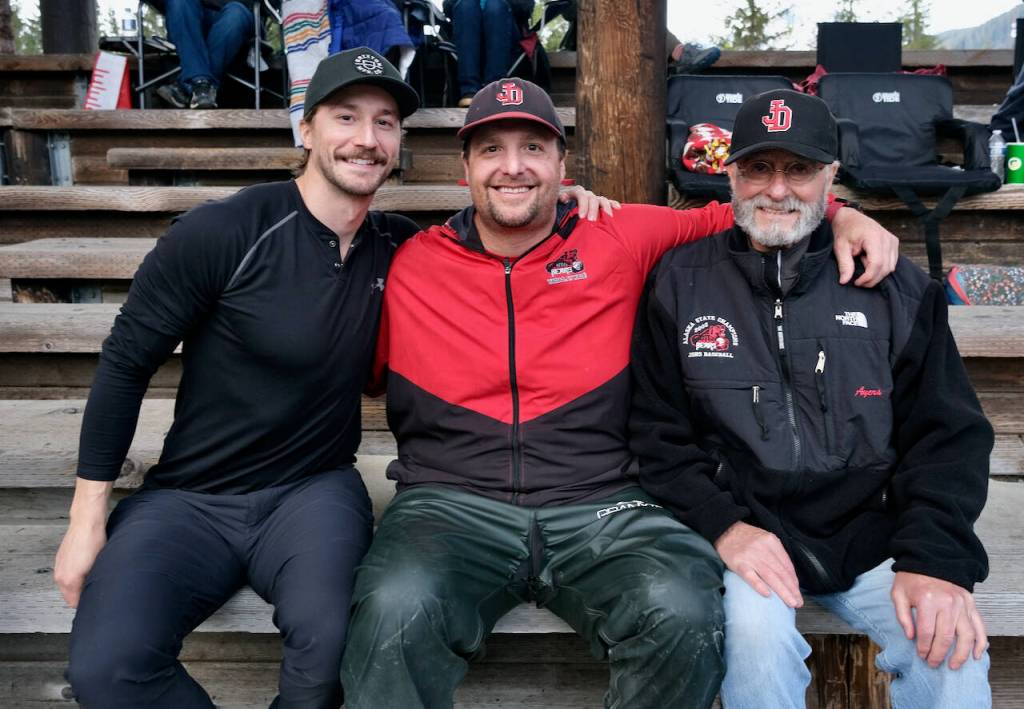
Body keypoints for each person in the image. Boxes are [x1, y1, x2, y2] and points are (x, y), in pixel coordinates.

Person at [339, 78, 900, 708]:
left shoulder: (622, 235)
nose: (514, 166)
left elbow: (751, 209)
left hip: (606, 502)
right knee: (391, 611)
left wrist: (844, 211)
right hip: (450, 504)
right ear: (465, 166)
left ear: (561, 164)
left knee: (683, 611)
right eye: (491, 149)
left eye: (533, 147)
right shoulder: (409, 261)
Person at [54, 47, 421, 709]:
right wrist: (87, 517)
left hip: (313, 491)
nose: (366, 139)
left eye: (386, 122)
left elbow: (505, 219)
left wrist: (571, 196)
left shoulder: (403, 246)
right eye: (346, 117)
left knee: (336, 649)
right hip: (192, 496)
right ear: (306, 129)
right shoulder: (225, 230)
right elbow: (125, 361)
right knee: (107, 668)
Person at [630, 89, 993, 708]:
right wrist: (724, 527)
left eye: (798, 169)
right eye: (758, 169)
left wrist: (935, 559)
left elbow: (946, 434)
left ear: (831, 176)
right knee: (752, 637)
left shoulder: (896, 286)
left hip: (873, 534)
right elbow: (656, 435)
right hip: (749, 533)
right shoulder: (679, 281)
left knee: (953, 652)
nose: (777, 190)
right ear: (730, 174)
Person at [150, 0, 258, 109]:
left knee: (236, 12)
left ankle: (190, 87)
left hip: (238, 15)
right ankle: (201, 86)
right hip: (190, 16)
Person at [447, 0, 534, 106]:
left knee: (495, 5)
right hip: (466, 37)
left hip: (505, 34)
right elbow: (447, 8)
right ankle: (469, 91)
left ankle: (494, 89)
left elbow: (526, 8)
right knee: (466, 4)